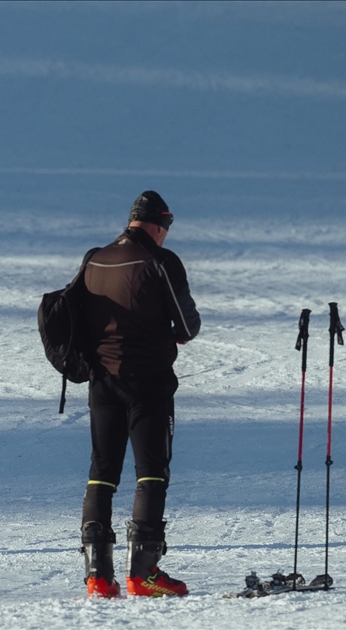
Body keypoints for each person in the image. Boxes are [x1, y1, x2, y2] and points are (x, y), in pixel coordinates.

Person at [78, 191, 201, 598]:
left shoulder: (94, 258)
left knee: (102, 473)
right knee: (151, 472)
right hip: (147, 383)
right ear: (158, 224)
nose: (166, 235)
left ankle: (98, 576)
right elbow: (187, 327)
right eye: (166, 227)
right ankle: (143, 573)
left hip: (102, 382)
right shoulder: (161, 262)